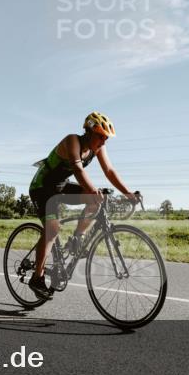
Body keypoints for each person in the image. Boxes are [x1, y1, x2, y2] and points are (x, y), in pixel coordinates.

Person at [27, 112, 138, 299]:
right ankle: (37, 278)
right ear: (88, 131)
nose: (103, 142)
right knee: (52, 230)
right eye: (100, 137)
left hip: (60, 187)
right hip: (42, 187)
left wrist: (128, 193)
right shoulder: (72, 141)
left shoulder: (98, 148)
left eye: (106, 139)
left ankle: (77, 238)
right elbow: (78, 170)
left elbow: (109, 171)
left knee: (95, 200)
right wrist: (92, 190)